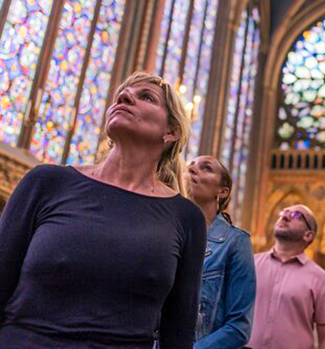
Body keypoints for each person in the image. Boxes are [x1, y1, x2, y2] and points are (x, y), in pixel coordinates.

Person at [0, 71, 206, 348]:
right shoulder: (46, 182)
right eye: (123, 93)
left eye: (146, 97)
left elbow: (178, 331)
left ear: (171, 132)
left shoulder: (186, 218)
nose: (124, 96)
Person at [187, 156, 256, 349]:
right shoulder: (165, 232)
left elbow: (239, 327)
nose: (193, 170)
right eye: (191, 166)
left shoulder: (235, 242)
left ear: (222, 191)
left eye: (206, 168)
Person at [249, 205, 325, 349]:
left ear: (308, 235)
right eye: (284, 212)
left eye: (296, 215)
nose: (285, 216)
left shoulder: (320, 279)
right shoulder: (249, 264)